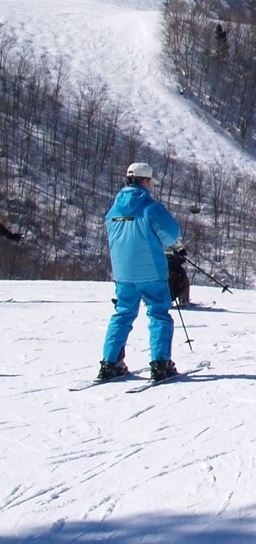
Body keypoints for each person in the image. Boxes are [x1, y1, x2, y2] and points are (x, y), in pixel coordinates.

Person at [98, 163, 184, 382]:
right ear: (145, 182)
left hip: (122, 273)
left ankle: (110, 363)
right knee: (158, 315)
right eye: (149, 182)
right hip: (151, 272)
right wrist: (177, 247)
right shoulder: (150, 207)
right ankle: (160, 364)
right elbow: (171, 234)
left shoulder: (113, 210)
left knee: (122, 314)